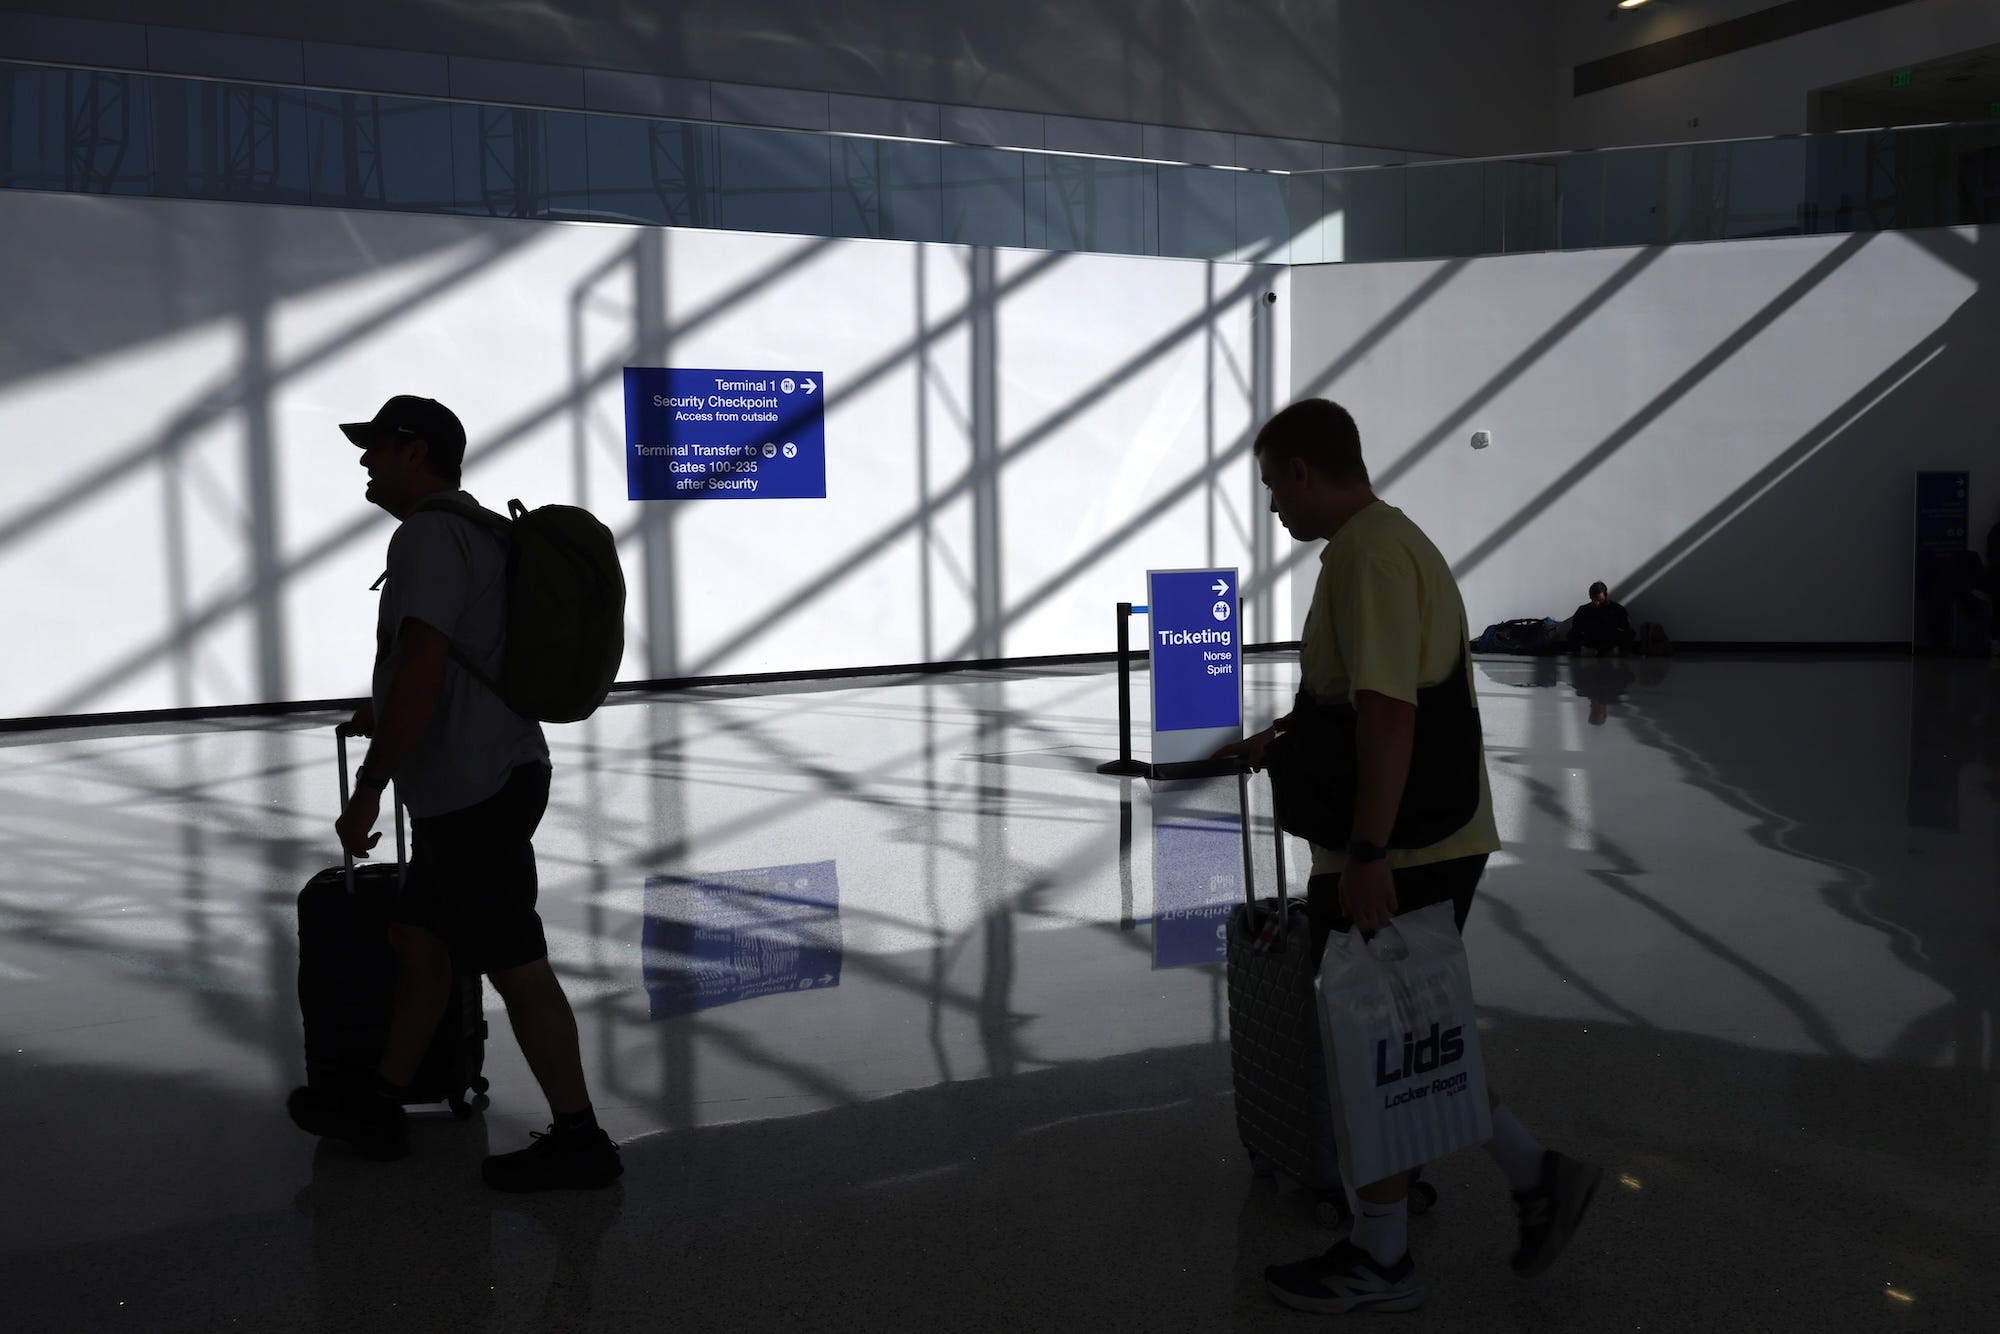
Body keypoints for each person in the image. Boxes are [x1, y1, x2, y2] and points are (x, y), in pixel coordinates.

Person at [1216, 398, 1600, 1315]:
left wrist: (1368, 851)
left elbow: (1393, 712)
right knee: (1403, 1029)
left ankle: (1385, 1254)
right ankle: (1526, 1175)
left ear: (1305, 471)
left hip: (1407, 843)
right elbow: (1367, 696)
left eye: (1274, 484)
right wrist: (1290, 733)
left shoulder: (1366, 555)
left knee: (1371, 1040)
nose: (1272, 506)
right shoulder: (1389, 543)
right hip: (1430, 833)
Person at [285, 394, 621, 1192]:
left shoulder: (428, 537)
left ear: (417, 451)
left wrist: (369, 788)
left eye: (378, 447)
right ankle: (380, 1102)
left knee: (517, 964)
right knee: (421, 943)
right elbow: (457, 658)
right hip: (481, 781)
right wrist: (386, 706)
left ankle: (582, 1140)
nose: (366, 461)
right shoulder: (477, 531)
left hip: (477, 789)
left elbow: (429, 665)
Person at [1567, 582, 1634, 656]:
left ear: (1605, 595)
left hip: (1610, 641)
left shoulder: (1617, 609)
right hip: (1590, 641)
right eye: (1594, 599)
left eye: (1600, 600)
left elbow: (1627, 629)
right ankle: (1596, 651)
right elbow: (1575, 630)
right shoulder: (1583, 610)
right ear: (1590, 597)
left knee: (1629, 634)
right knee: (1570, 634)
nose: (1597, 603)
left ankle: (1608, 651)